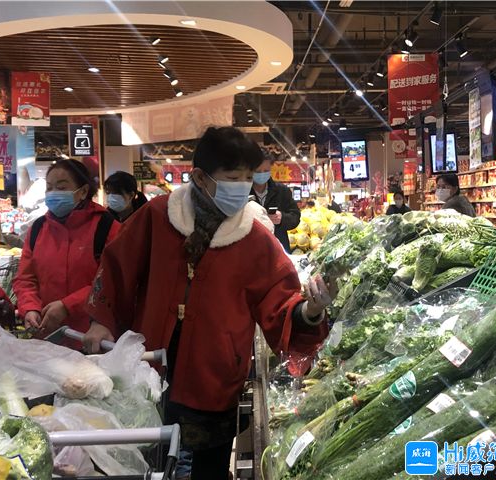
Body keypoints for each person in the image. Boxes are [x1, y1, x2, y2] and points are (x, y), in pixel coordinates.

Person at [82, 127, 333, 480]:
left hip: (215, 373)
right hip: (150, 366)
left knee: (209, 468)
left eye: (247, 178)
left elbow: (279, 299)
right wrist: (101, 320)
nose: (242, 186)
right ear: (200, 177)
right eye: (232, 178)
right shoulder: (158, 216)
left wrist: (310, 311)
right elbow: (116, 268)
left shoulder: (254, 237)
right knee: (147, 459)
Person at [13, 160, 120, 336]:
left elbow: (112, 281)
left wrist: (68, 306)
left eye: (61, 188)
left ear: (83, 191)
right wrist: (30, 308)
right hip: (47, 335)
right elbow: (25, 278)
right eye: (49, 188)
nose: (53, 193)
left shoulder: (108, 228)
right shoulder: (38, 228)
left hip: (92, 337)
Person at [250, 159, 301, 252]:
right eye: (258, 171)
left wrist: (282, 218)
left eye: (266, 170)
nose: (262, 174)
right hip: (251, 248)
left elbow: (295, 217)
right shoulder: (243, 192)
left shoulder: (282, 191)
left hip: (279, 248)